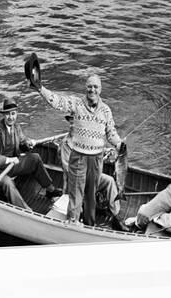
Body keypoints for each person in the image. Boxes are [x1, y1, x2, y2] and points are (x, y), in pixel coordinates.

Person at [34, 74, 128, 231]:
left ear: (100, 89)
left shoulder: (106, 110)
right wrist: (40, 88)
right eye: (89, 86)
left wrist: (119, 144)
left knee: (91, 194)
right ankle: (73, 222)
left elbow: (111, 133)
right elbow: (57, 101)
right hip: (78, 157)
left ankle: (89, 225)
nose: (92, 89)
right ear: (86, 88)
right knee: (76, 192)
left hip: (97, 159)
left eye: (95, 87)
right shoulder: (76, 103)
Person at [0, 97, 63, 210]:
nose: (10, 117)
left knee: (35, 158)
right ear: (4, 115)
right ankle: (25, 210)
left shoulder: (16, 127)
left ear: (16, 114)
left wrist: (28, 143)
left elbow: (22, 143)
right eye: (7, 114)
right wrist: (9, 160)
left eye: (13, 114)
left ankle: (50, 190)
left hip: (11, 166)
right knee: (8, 184)